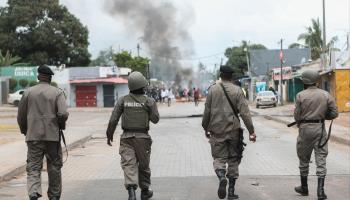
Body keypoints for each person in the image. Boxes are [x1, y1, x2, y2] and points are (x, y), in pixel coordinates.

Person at [202, 65, 256, 200]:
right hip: (233, 131)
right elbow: (244, 113)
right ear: (231, 76)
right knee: (233, 159)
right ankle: (231, 192)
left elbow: (207, 112)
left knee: (219, 158)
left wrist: (205, 127)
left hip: (217, 130)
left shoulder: (212, 90)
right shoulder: (238, 91)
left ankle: (221, 177)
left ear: (221, 75)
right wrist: (251, 131)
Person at [17, 65, 69, 200]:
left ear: (38, 77)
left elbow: (21, 116)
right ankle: (54, 196)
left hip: (33, 137)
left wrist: (25, 130)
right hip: (52, 137)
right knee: (54, 167)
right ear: (50, 78)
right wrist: (60, 126)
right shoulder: (57, 92)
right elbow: (63, 113)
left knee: (33, 167)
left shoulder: (28, 92)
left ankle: (33, 193)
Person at [106, 71, 160, 200]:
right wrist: (151, 106)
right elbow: (155, 119)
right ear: (143, 86)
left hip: (126, 138)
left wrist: (109, 134)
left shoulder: (123, 100)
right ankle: (145, 191)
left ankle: (131, 193)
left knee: (128, 165)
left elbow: (113, 119)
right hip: (143, 138)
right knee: (144, 166)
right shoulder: (148, 101)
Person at [293, 70, 338, 200]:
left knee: (303, 159)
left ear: (305, 81)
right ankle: (320, 191)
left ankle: (304, 187)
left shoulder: (300, 95)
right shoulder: (326, 94)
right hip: (320, 128)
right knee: (321, 159)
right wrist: (323, 116)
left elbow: (297, 115)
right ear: (316, 81)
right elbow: (334, 113)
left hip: (305, 129)